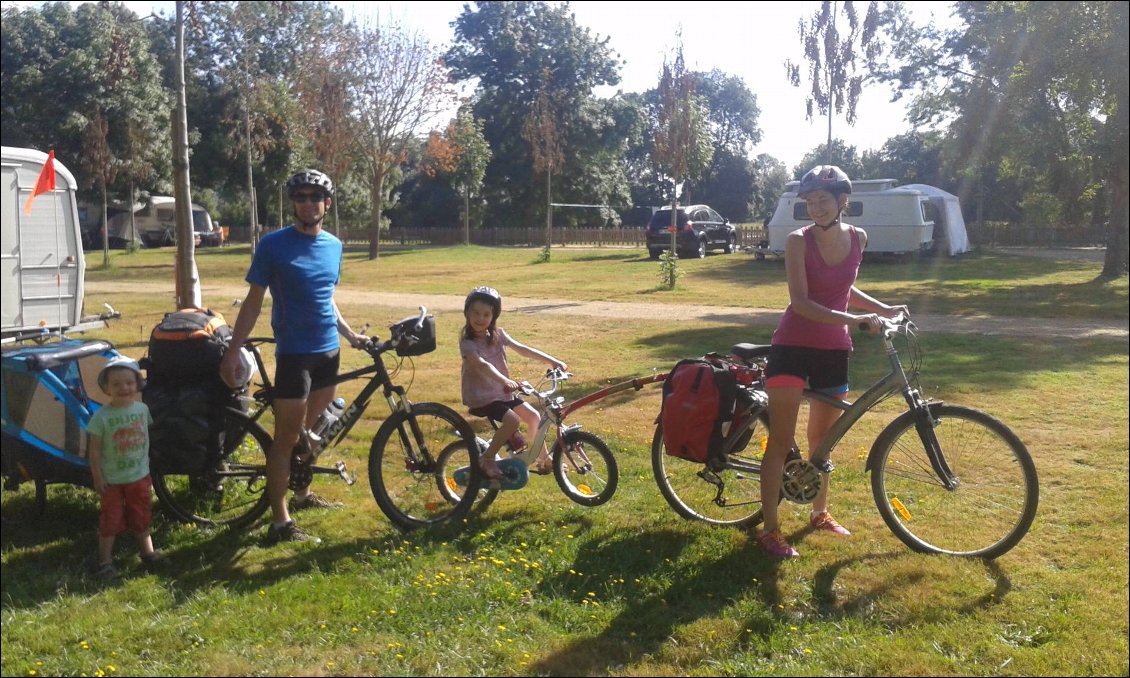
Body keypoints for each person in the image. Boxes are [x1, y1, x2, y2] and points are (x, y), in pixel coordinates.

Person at [758, 165, 908, 558]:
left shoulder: (859, 238)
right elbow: (802, 303)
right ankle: (771, 531)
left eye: (823, 200)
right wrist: (855, 320)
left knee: (821, 443)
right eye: (809, 202)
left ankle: (819, 513)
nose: (816, 207)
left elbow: (844, 286)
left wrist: (883, 308)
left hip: (833, 349)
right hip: (792, 345)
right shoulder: (796, 241)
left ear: (843, 201)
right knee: (780, 441)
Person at [219, 168, 365, 546]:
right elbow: (253, 301)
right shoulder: (273, 246)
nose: (307, 203)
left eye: (314, 197)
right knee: (285, 438)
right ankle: (280, 522)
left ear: (326, 204)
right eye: (300, 197)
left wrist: (349, 334)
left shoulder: (334, 245)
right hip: (294, 356)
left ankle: (302, 492)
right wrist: (233, 349)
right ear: (293, 204)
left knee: (309, 434)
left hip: (328, 353)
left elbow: (326, 297)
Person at [460, 286, 567, 484]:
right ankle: (487, 458)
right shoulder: (468, 342)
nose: (480, 318)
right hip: (482, 396)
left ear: (493, 316)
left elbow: (523, 349)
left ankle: (543, 459)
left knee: (534, 416)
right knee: (512, 421)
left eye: (486, 314)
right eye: (475, 313)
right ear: (467, 312)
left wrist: (552, 361)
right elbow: (482, 366)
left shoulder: (498, 335)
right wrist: (505, 380)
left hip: (502, 393)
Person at [87, 356, 161, 579]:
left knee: (141, 515)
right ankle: (105, 561)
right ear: (106, 388)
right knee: (111, 519)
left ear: (137, 384)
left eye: (129, 383)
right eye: (116, 384)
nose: (123, 388)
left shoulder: (142, 410)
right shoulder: (101, 418)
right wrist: (97, 476)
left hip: (139, 476)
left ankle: (147, 552)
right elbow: (95, 451)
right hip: (112, 480)